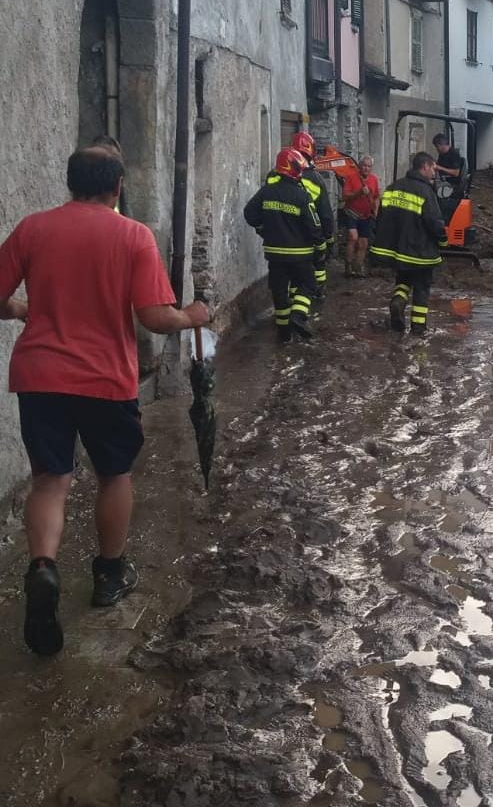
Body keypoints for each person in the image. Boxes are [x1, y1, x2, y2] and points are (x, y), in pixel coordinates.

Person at [0, 146, 210, 657]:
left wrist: (25, 309)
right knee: (114, 475)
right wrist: (194, 316)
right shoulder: (132, 236)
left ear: (70, 182)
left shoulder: (32, 229)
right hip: (104, 380)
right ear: (117, 186)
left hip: (40, 374)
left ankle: (43, 567)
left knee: (50, 479)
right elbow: (155, 316)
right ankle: (110, 574)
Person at [244, 148, 324, 342]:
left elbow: (249, 213)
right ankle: (298, 316)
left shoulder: (267, 191)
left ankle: (283, 334)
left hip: (274, 254)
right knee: (307, 285)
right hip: (300, 254)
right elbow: (314, 226)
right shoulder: (302, 196)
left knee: (279, 292)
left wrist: (264, 229)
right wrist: (321, 248)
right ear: (293, 168)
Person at [370, 152, 447, 335]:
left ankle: (398, 300)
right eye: (433, 168)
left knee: (403, 279)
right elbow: (434, 222)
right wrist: (443, 241)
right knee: (421, 287)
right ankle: (418, 328)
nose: (434, 173)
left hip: (397, 250)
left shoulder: (392, 187)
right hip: (420, 251)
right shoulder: (426, 192)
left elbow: (381, 217)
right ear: (425, 167)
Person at [289, 132, 335, 297]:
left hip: (284, 235)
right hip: (310, 234)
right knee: (318, 265)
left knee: (293, 276)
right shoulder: (315, 179)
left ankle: (294, 301)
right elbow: (325, 214)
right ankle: (317, 293)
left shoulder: (275, 175)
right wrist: (329, 239)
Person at [342, 155, 380, 278]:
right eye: (364, 165)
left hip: (366, 215)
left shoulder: (374, 179)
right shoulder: (351, 178)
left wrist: (376, 210)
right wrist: (359, 193)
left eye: (369, 166)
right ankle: (348, 266)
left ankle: (358, 267)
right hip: (351, 213)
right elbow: (345, 197)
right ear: (360, 166)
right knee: (353, 238)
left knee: (363, 243)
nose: (366, 168)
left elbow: (376, 196)